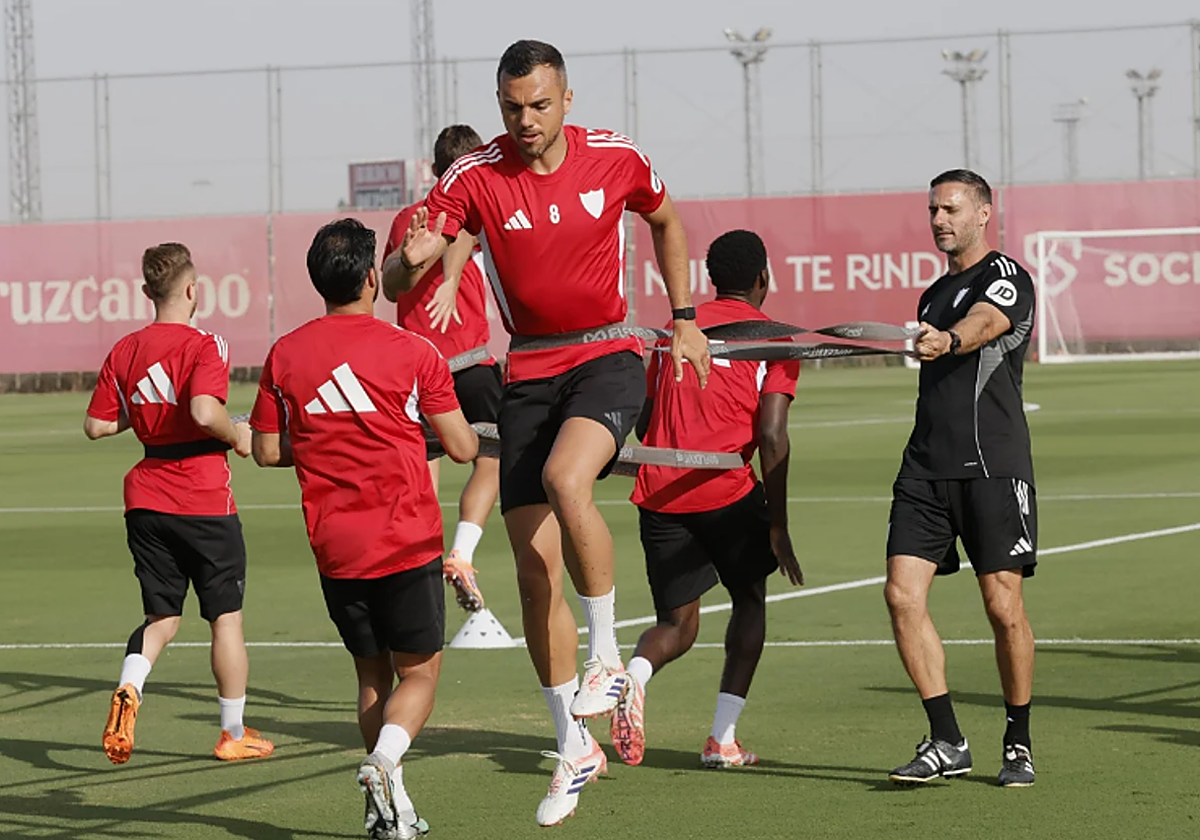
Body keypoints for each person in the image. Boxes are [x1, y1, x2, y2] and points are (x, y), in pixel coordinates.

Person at [390, 39, 710, 826]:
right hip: (527, 372)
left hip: (606, 356)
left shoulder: (616, 158)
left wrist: (685, 317)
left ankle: (606, 658)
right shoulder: (473, 176)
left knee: (569, 481)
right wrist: (412, 259)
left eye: (539, 104)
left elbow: (667, 220)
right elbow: (398, 279)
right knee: (535, 577)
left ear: (567, 99)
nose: (525, 120)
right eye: (512, 108)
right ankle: (574, 745)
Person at [250, 219, 478, 839]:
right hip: (406, 539)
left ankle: (390, 811)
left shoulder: (284, 354)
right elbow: (462, 447)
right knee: (420, 675)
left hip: (336, 548)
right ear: (374, 277)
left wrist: (324, 440)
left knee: (370, 676)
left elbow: (266, 451)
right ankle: (384, 762)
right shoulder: (414, 351)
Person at [612, 230, 804, 770]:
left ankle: (634, 677)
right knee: (749, 601)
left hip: (660, 492)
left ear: (711, 280)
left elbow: (645, 422)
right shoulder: (776, 339)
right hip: (728, 493)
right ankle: (722, 738)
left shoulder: (674, 331)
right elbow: (772, 434)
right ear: (763, 278)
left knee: (677, 626)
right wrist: (778, 525)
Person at [85, 242, 274, 765]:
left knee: (162, 619)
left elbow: (97, 425)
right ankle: (232, 732)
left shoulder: (125, 349)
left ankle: (131, 685)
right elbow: (203, 410)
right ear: (192, 289)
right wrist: (236, 435)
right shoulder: (206, 343)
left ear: (148, 292)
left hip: (145, 499)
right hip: (203, 498)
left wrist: (149, 413)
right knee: (225, 619)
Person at [885, 169, 1038, 788]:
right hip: (924, 468)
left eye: (950, 209)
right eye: (932, 210)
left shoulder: (1007, 277)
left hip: (992, 466)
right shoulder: (930, 295)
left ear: (983, 213)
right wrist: (937, 335)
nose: (939, 219)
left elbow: (984, 323)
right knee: (901, 597)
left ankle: (1018, 741)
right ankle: (947, 739)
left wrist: (948, 340)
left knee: (1003, 608)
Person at [382, 123, 499, 613]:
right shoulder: (483, 211)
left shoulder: (407, 219)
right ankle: (462, 553)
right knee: (493, 458)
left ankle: (423, 576)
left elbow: (391, 285)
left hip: (416, 372)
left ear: (434, 168)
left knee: (422, 476)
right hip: (469, 364)